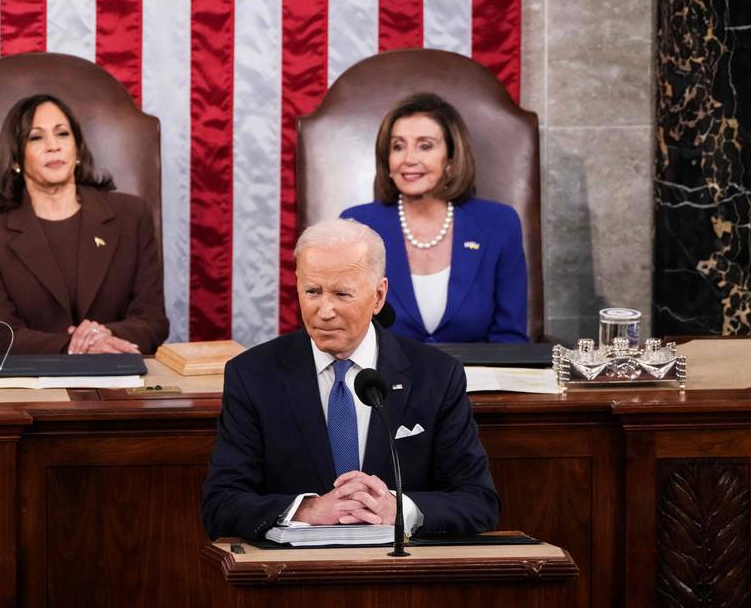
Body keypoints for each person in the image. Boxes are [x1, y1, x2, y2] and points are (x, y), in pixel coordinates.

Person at [201, 219, 498, 542]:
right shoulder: (253, 374)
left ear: (378, 296)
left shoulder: (436, 375)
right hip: (292, 576)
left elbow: (479, 502)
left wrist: (399, 509)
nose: (324, 310)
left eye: (342, 294)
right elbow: (221, 504)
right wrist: (307, 510)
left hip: (401, 574)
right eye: (312, 291)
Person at [0, 94, 169, 354]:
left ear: (77, 149)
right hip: (30, 385)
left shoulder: (132, 215)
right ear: (15, 160)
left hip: (119, 373)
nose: (53, 146)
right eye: (36, 137)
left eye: (62, 134)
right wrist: (73, 347)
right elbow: (1, 335)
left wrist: (103, 337)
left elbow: (153, 320)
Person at [341, 93, 528, 343]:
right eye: (398, 146)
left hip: (477, 378)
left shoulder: (499, 224)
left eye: (425, 145)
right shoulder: (357, 226)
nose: (409, 159)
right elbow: (343, 327)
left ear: (451, 160)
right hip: (384, 378)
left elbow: (510, 338)